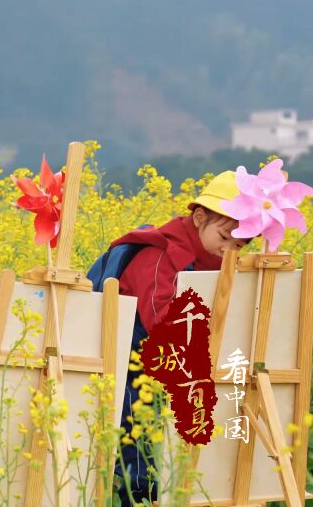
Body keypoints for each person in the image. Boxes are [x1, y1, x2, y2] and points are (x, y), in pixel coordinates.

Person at [103, 171, 247, 505]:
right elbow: (161, 319)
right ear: (199, 218)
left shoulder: (215, 259)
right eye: (225, 238)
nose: (229, 251)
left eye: (238, 246)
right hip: (133, 363)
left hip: (175, 364)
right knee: (138, 442)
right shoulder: (161, 252)